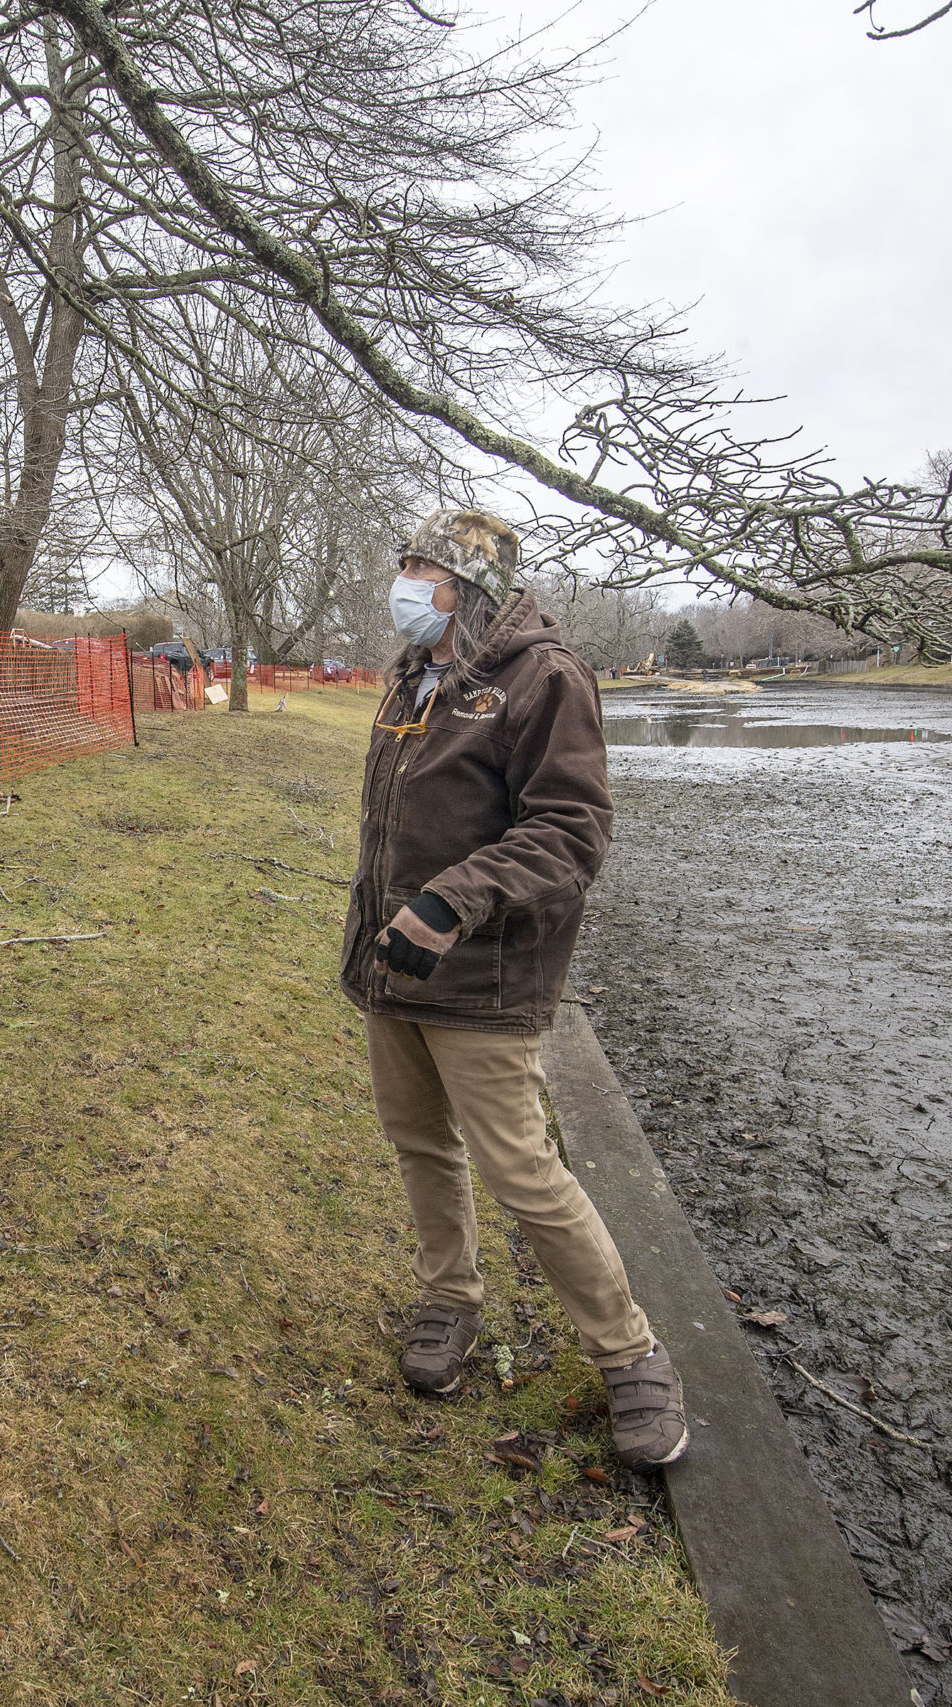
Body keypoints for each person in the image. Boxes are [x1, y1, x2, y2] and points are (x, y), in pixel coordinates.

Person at [343, 507, 688, 1469]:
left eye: (424, 567)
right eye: (403, 560)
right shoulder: (413, 675)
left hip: (483, 974)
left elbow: (573, 830)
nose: (405, 580)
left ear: (472, 585)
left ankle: (631, 1354)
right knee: (419, 1142)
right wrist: (383, 926)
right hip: (393, 963)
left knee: (524, 1172)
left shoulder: (545, 678)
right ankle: (449, 1299)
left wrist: (452, 904)